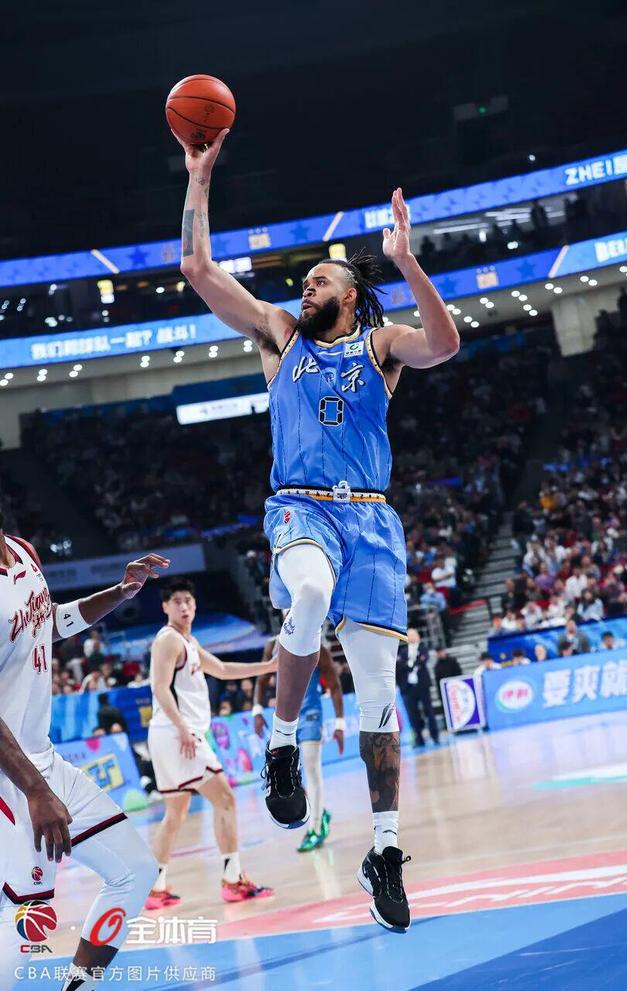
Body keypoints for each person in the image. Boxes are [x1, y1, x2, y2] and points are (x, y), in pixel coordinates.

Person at [176, 127, 460, 934]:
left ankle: (386, 849)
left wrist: (406, 262)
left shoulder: (382, 345)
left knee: (379, 693)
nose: (306, 287)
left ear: (353, 294)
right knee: (306, 591)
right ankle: (281, 743)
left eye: (320, 278)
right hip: (300, 505)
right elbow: (198, 269)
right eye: (304, 280)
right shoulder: (281, 335)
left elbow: (446, 344)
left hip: (371, 518)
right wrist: (199, 177)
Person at [0, 509, 170, 991]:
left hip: (43, 759)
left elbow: (48, 624)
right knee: (25, 913)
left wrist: (119, 593)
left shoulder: (23, 552)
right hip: (10, 776)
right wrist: (36, 791)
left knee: (135, 870)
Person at [146, 579, 277, 908]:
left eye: (188, 600)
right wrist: (183, 729)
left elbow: (222, 669)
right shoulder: (169, 640)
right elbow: (159, 687)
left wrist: (269, 666)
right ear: (165, 607)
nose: (184, 606)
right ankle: (233, 880)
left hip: (168, 734)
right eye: (177, 601)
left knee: (175, 814)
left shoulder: (188, 641)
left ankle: (154, 887)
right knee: (226, 800)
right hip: (178, 734)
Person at [254, 636, 344, 853]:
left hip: (310, 713)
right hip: (284, 717)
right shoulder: (273, 645)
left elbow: (334, 684)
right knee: (290, 773)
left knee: (312, 769)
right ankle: (319, 811)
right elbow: (262, 680)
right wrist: (256, 711)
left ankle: (315, 828)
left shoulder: (316, 644)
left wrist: (340, 723)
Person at [396, 629, 439, 748]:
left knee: (428, 710)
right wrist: (413, 664)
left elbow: (423, 660)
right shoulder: (403, 651)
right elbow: (401, 665)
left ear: (418, 636)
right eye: (409, 635)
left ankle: (435, 735)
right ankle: (419, 739)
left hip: (422, 685)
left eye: (413, 635)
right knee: (413, 714)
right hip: (408, 688)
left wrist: (410, 665)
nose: (412, 637)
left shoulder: (423, 648)